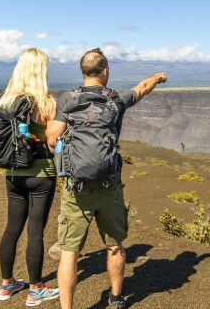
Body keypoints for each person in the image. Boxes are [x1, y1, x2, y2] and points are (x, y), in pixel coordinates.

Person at [46, 48, 167, 309]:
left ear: (83, 71)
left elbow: (52, 138)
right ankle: (114, 299)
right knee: (115, 246)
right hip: (109, 185)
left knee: (69, 252)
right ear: (105, 72)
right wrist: (157, 77)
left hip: (76, 189)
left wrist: (70, 156)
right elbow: (142, 88)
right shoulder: (117, 100)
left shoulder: (67, 99)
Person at [0, 48, 60, 306]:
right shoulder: (47, 103)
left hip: (12, 173)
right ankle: (35, 290)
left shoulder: (5, 101)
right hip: (41, 174)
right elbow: (53, 143)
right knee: (35, 233)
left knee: (12, 229)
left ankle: (6, 285)